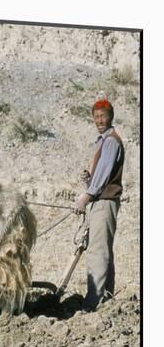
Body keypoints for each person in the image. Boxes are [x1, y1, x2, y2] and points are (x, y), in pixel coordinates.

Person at [73, 98, 125, 311]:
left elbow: (103, 176)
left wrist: (85, 197)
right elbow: (101, 176)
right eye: (96, 117)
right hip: (103, 201)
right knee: (103, 250)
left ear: (110, 116)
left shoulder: (111, 141)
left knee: (97, 251)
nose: (99, 120)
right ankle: (106, 298)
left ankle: (92, 303)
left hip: (104, 202)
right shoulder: (104, 141)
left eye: (103, 116)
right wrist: (89, 179)